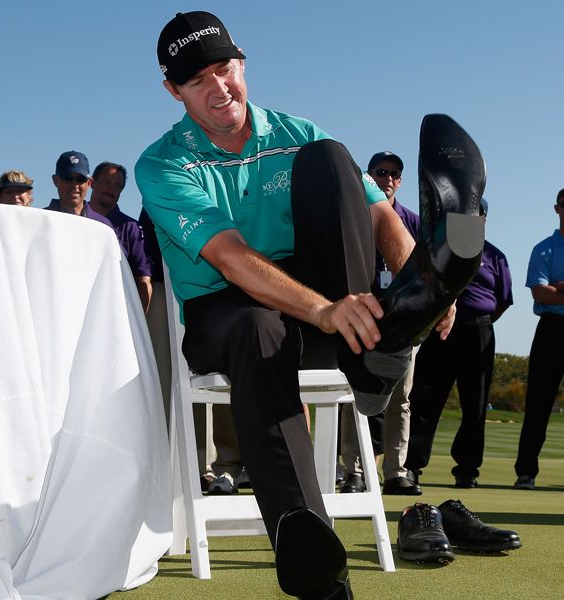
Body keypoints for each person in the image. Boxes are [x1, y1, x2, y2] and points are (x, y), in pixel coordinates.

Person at [136, 11, 481, 599]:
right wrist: (325, 312)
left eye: (226, 70)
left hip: (326, 305)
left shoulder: (295, 131)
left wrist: (416, 282)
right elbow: (232, 257)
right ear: (173, 90)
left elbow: (377, 213)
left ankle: (381, 340)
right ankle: (316, 568)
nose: (220, 89)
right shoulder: (163, 163)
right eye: (199, 82)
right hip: (228, 309)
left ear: (242, 63)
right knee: (257, 329)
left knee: (328, 156)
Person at [406, 198, 513, 489]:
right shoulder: (437, 250)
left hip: (478, 331)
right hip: (440, 328)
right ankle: (412, 465)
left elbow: (502, 301)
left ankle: (467, 469)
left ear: (484, 218)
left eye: (474, 213)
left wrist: (478, 321)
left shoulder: (495, 256)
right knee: (425, 399)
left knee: (475, 404)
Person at [339, 151, 422, 496]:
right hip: (362, 313)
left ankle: (395, 471)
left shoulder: (413, 222)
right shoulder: (356, 217)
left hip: (403, 319)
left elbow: (425, 269)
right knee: (352, 392)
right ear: (369, 177)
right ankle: (353, 471)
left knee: (401, 397)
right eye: (381, 172)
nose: (388, 178)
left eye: (394, 173)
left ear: (401, 181)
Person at [513, 188, 564, 490]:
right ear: (557, 208)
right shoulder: (544, 249)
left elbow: (552, 290)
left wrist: (560, 287)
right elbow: (540, 292)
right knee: (538, 404)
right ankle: (526, 472)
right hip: (551, 330)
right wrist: (553, 292)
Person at [89, 162, 153, 312]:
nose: (111, 189)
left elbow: (144, 280)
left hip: (113, 311)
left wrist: (138, 323)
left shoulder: (132, 228)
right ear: (92, 183)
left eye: (117, 186)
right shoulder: (75, 219)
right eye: (106, 182)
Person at [45, 151, 112, 229]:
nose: (74, 185)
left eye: (80, 179)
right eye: (68, 178)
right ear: (56, 180)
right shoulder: (41, 221)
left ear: (89, 183)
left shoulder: (103, 226)